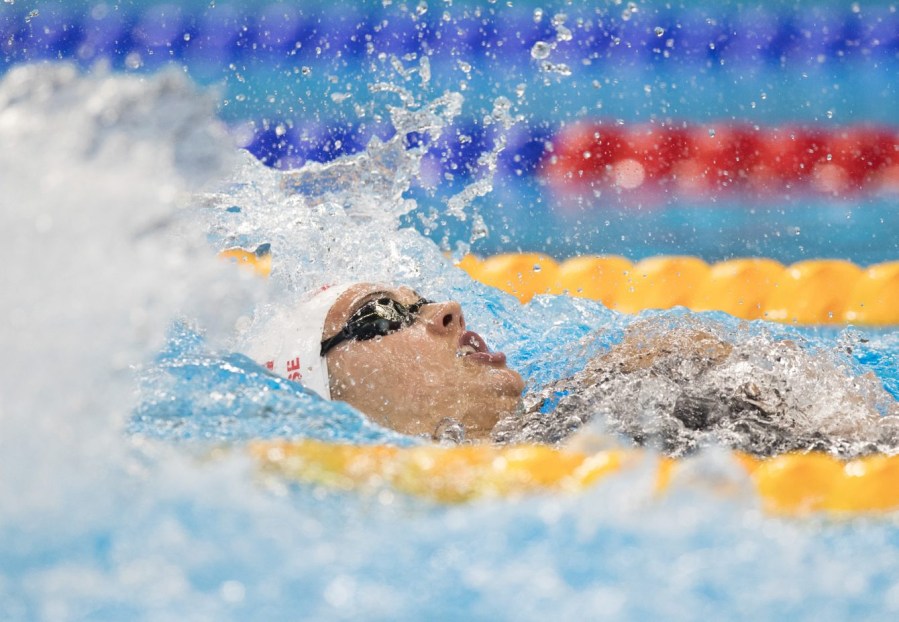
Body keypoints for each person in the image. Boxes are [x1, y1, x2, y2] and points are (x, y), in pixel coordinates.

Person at [246, 282, 899, 457]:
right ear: (332, 398)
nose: (447, 309)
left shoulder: (565, 419)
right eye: (384, 313)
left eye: (422, 298)